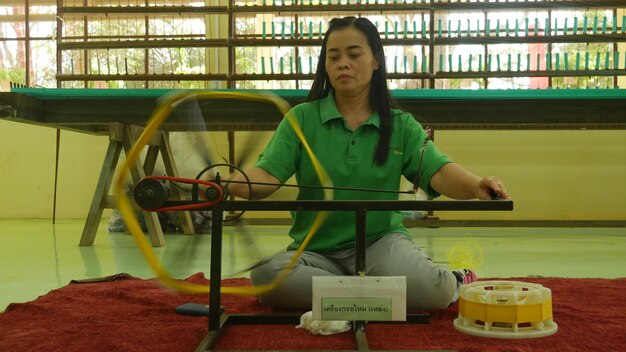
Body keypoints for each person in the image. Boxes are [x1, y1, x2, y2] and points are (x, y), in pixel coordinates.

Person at [227, 16, 510, 311]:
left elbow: (438, 171)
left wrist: (477, 185)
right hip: (315, 252)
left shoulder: (400, 125)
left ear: (376, 60)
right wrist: (231, 183)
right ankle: (379, 295)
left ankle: (450, 281)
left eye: (353, 54)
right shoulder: (301, 119)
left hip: (381, 244)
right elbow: (267, 176)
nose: (342, 63)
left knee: (435, 292)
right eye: (333, 57)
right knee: (267, 276)